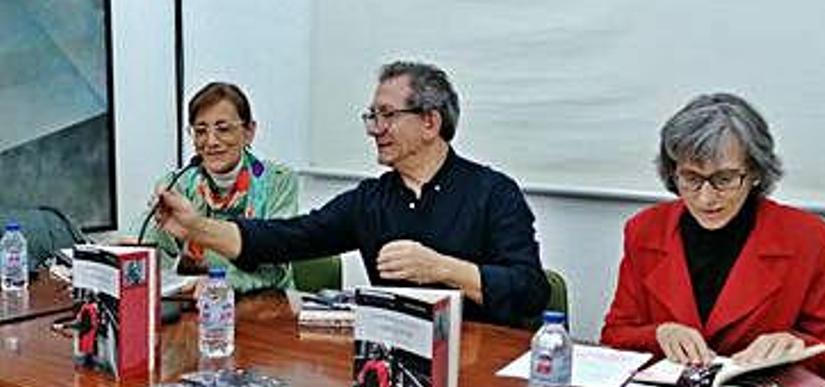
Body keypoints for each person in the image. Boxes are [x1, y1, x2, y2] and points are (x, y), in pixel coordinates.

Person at [154, 62, 550, 326]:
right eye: (371, 116)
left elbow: (531, 291)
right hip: (397, 361)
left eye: (386, 116)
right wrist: (195, 227)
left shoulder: (494, 192)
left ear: (430, 122)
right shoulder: (370, 201)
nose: (374, 129)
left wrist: (442, 269)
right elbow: (285, 237)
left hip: (482, 376)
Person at [601, 93, 825, 387]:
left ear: (754, 172)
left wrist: (796, 345)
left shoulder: (808, 238)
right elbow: (614, 336)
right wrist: (659, 334)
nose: (706, 197)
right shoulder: (645, 229)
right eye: (690, 178)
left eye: (724, 179)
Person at [138, 82, 299, 292]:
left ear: (249, 132)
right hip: (198, 304)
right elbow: (152, 251)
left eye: (223, 129)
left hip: (267, 306)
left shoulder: (279, 181)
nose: (211, 141)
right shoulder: (177, 184)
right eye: (201, 131)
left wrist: (222, 282)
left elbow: (274, 263)